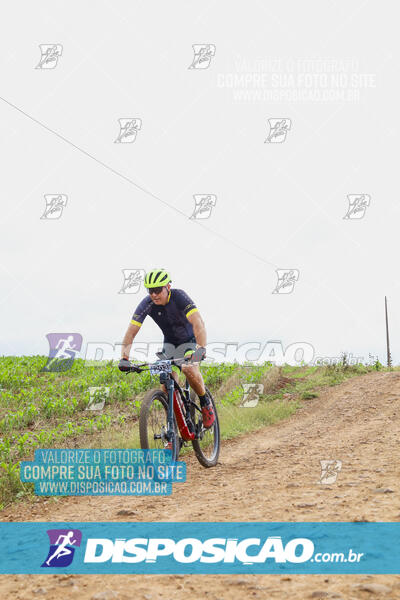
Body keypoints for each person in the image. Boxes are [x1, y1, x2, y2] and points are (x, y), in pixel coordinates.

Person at [118, 269, 215, 428]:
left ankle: (206, 403)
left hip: (190, 342)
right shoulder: (147, 304)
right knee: (165, 385)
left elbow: (198, 322)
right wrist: (124, 358)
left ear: (168, 286)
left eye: (157, 290)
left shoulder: (179, 296)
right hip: (170, 345)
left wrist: (200, 348)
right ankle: (174, 430)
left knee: (188, 368)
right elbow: (131, 332)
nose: (154, 295)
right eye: (151, 291)